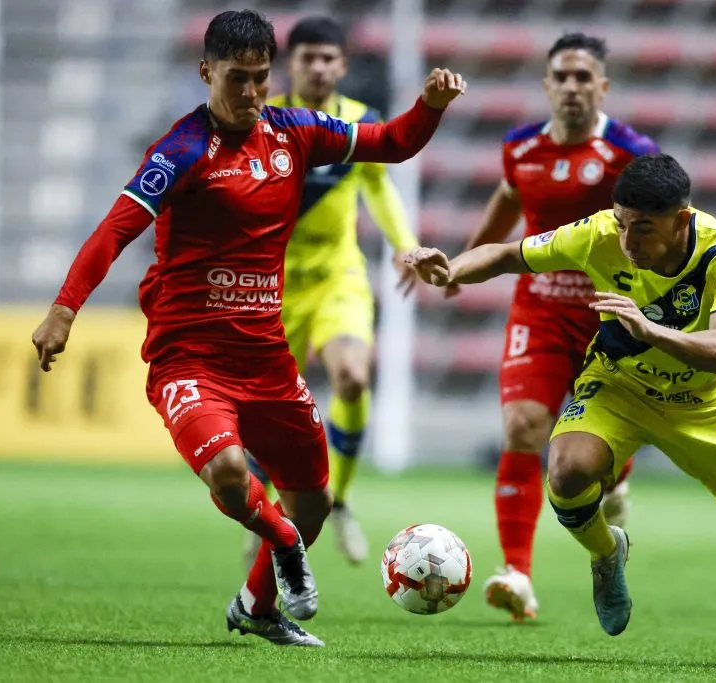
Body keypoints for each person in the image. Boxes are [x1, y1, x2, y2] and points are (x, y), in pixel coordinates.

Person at [30, 9, 465, 648]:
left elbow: (392, 144)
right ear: (207, 71)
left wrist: (429, 106)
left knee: (311, 499)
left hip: (266, 361)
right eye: (238, 79)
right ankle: (285, 546)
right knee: (233, 473)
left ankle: (258, 608)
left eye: (263, 78)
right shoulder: (180, 148)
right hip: (190, 358)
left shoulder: (296, 131)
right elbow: (114, 229)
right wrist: (65, 309)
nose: (253, 94)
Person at [406, 154, 716, 671]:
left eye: (642, 228)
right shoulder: (597, 235)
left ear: (681, 219)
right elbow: (507, 255)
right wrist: (450, 269)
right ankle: (606, 551)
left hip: (704, 402)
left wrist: (649, 329)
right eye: (621, 223)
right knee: (567, 471)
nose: (627, 241)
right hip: (618, 385)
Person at [457, 32, 658, 622]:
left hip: (611, 315)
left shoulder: (631, 152)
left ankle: (616, 484)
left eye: (583, 77)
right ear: (546, 85)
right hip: (540, 308)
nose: (571, 87)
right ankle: (516, 572)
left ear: (603, 86)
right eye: (561, 77)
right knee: (523, 426)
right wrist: (461, 264)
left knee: (597, 460)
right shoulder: (520, 148)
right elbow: (508, 201)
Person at [242, 15, 421, 567]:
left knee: (352, 374)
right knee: (261, 412)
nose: (318, 68)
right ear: (288, 66)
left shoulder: (360, 122)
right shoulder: (261, 123)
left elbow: (379, 187)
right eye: (307, 58)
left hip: (337, 278)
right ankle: (269, 509)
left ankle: (338, 499)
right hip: (269, 286)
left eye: (328, 59)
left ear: (343, 65)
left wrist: (405, 244)